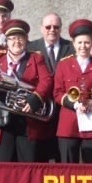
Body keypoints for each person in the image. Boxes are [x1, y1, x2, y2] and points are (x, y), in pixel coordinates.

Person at [0, 19, 54, 162]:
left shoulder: (36, 58)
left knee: (27, 164)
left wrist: (35, 98)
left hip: (28, 119)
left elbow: (47, 80)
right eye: (12, 38)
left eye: (20, 38)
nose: (16, 42)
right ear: (6, 41)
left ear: (26, 39)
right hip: (4, 120)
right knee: (3, 163)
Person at [54, 19, 92, 163]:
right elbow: (57, 92)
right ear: (74, 43)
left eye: (87, 42)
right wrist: (74, 104)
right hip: (69, 124)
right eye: (80, 42)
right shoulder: (64, 65)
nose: (83, 46)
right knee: (68, 167)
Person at [27, 12, 75, 162]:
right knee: (39, 158)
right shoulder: (30, 48)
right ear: (41, 28)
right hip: (39, 111)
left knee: (62, 156)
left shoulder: (72, 47)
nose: (52, 30)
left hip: (63, 110)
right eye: (48, 27)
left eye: (56, 27)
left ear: (61, 28)